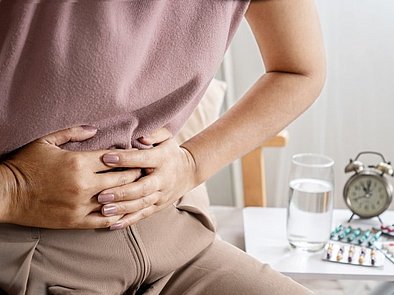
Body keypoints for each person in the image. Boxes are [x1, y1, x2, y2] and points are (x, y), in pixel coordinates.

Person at [0, 0, 325, 294]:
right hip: (28, 250)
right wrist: (13, 191)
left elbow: (299, 70)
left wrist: (192, 164)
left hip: (174, 243)